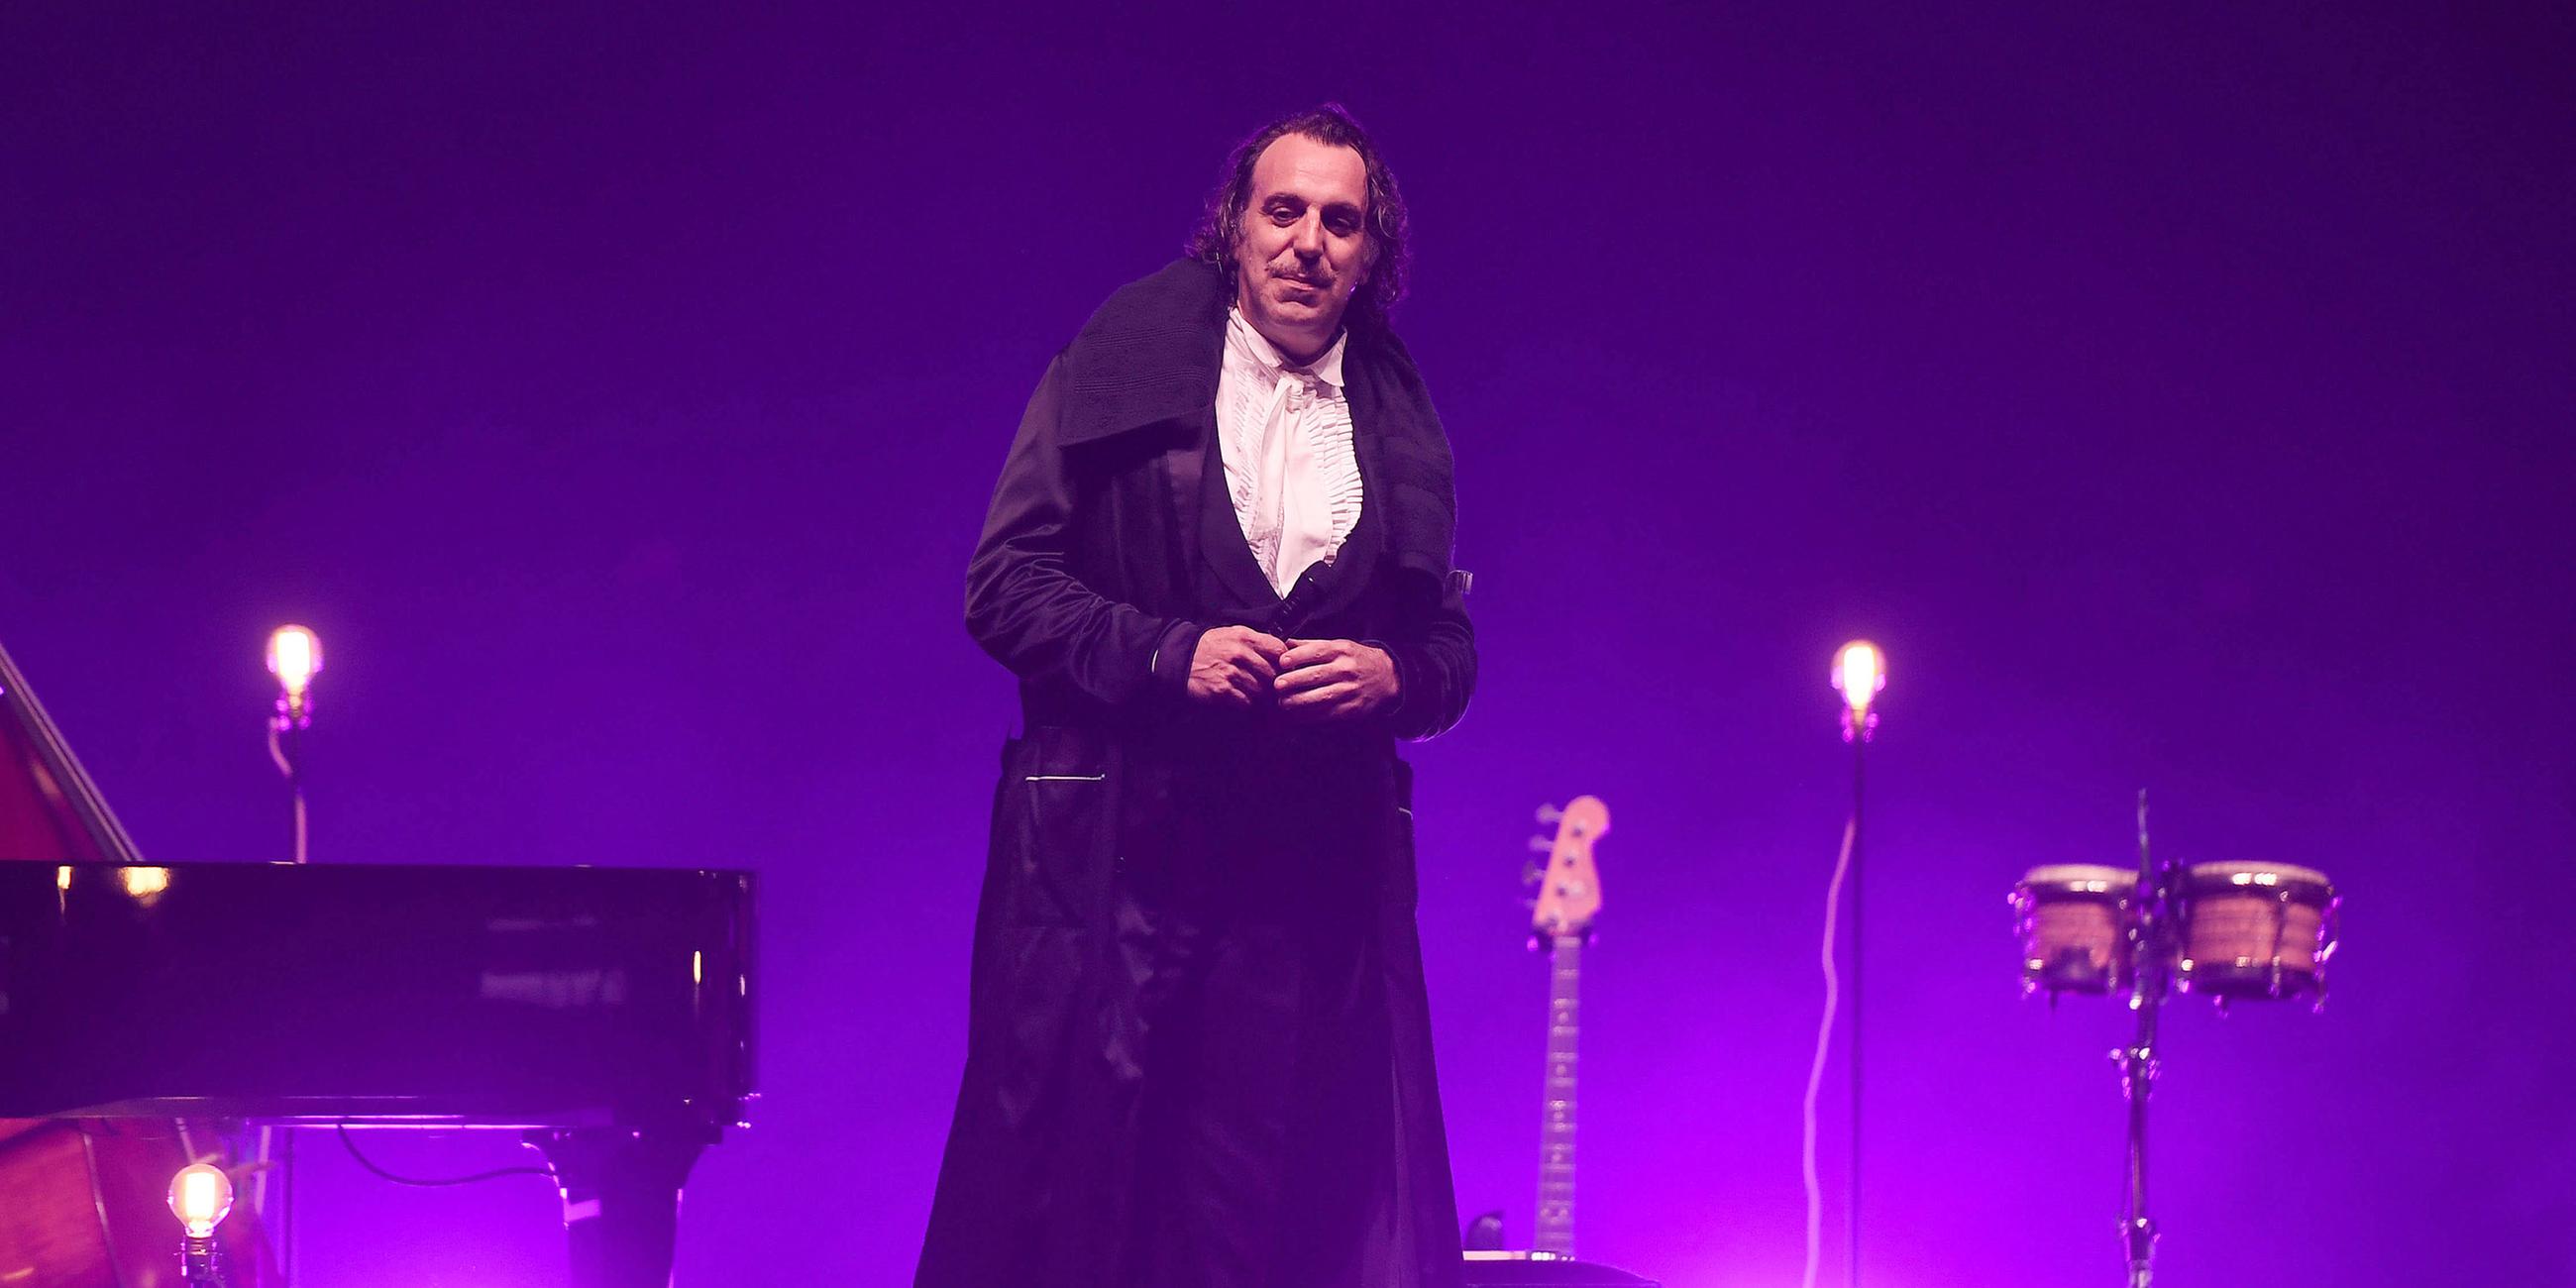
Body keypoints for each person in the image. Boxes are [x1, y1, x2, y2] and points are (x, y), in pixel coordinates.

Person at [916, 103, 1476, 1288]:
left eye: (1339, 222)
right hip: (1118, 869)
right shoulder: (1120, 358)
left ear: (1370, 256)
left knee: (1273, 1216)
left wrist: (1395, 675)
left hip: (1303, 897)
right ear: (1234, 225)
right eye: (1283, 211)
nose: (1306, 242)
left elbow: (1447, 645)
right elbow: (1002, 586)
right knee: (1085, 1196)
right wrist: (1166, 652)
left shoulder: (1397, 420)